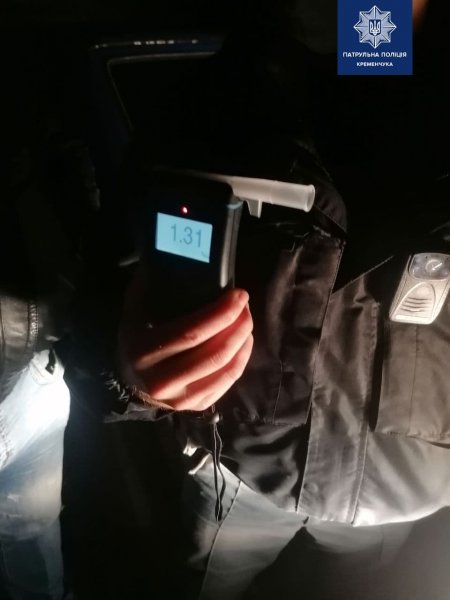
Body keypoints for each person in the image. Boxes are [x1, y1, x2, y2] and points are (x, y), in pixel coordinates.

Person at [67, 0, 450, 598]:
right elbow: (99, 294)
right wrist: (130, 374)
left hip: (408, 493)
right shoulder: (205, 108)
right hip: (236, 474)